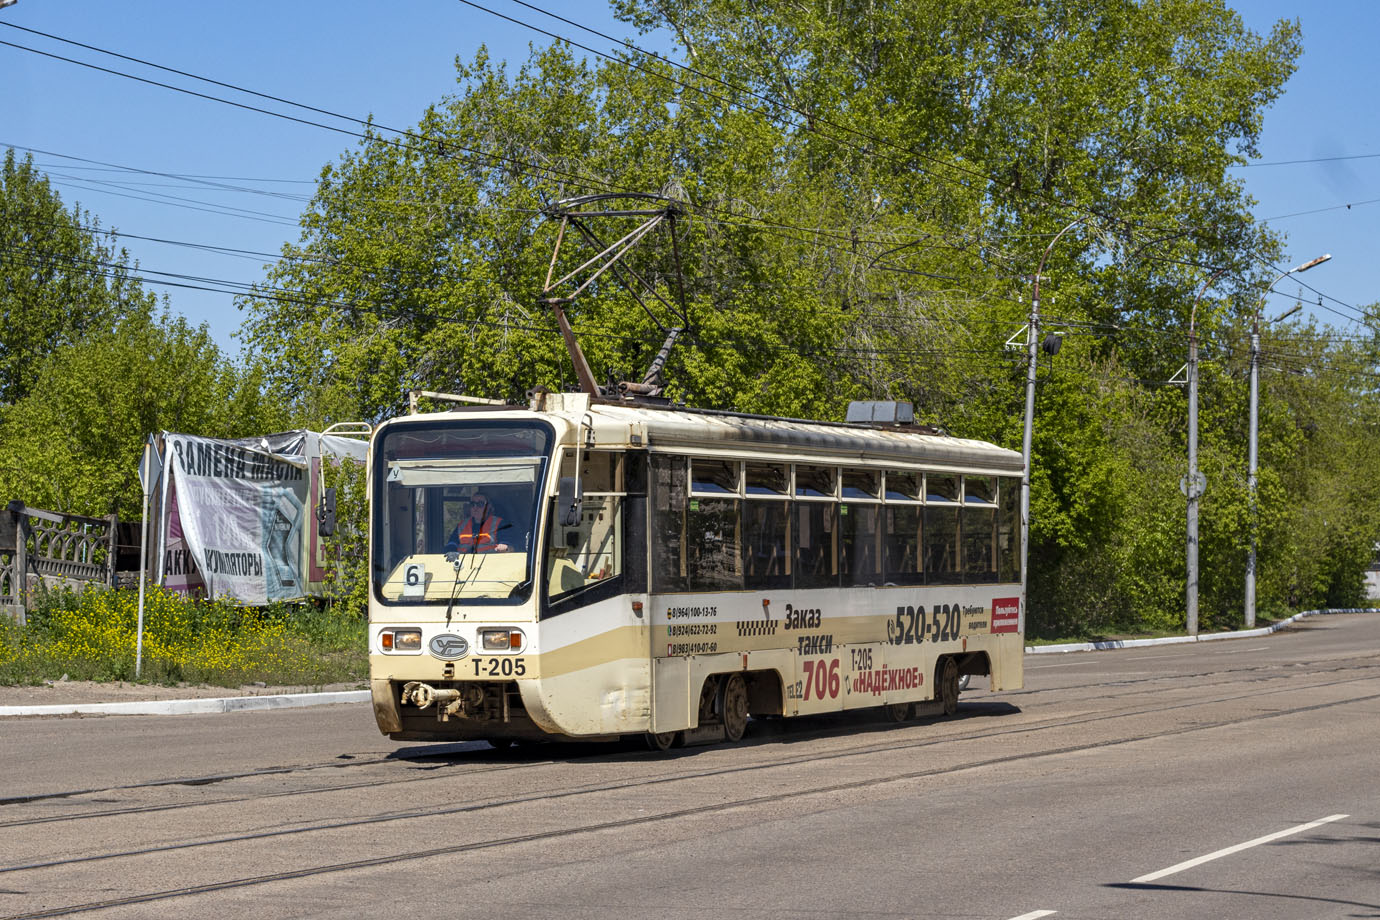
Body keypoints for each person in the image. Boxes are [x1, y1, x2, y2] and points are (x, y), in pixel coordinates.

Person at [444, 492, 511, 555]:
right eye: (473, 504)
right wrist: (451, 550)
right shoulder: (462, 525)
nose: (475, 508)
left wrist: (504, 546)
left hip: (490, 564)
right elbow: (452, 543)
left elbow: (506, 543)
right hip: (464, 564)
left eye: (480, 504)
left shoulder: (499, 523)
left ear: (489, 506)